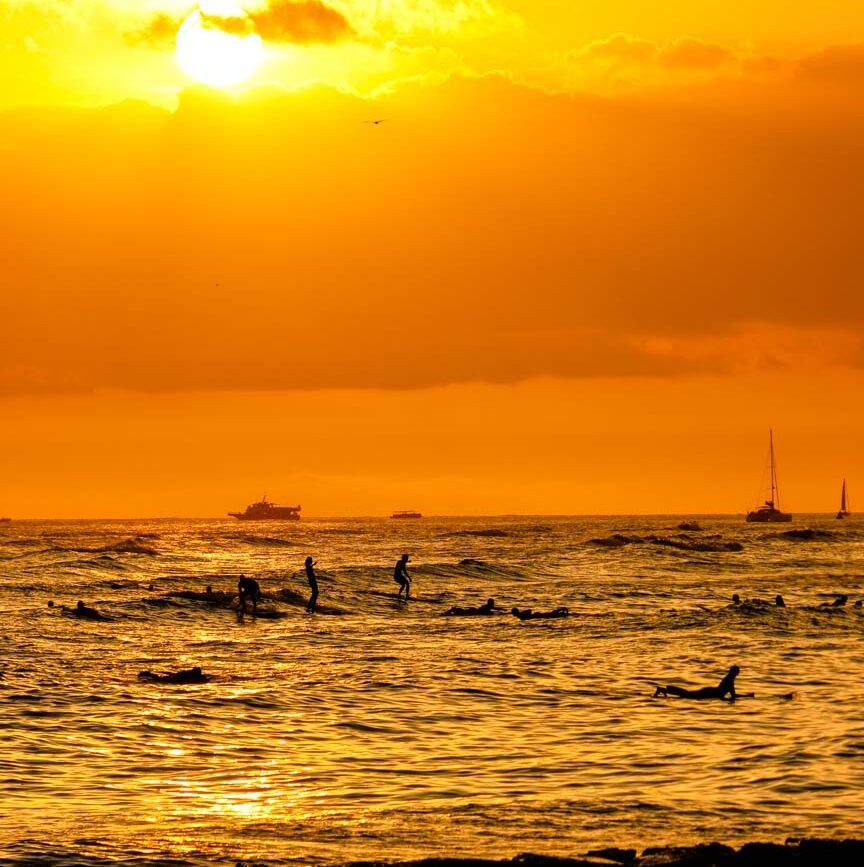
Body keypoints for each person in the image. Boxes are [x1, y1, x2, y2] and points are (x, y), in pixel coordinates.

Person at [654, 664, 745, 700]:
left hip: (710, 691)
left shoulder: (728, 678)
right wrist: (747, 696)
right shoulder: (729, 680)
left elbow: (732, 694)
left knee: (687, 694)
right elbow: (733, 695)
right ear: (735, 673)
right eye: (738, 672)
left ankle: (664, 689)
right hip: (709, 693)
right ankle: (664, 689)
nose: (738, 673)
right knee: (687, 695)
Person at [138, 666, 210, 684]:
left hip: (175, 678)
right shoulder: (189, 675)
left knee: (159, 679)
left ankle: (148, 674)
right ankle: (147, 674)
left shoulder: (200, 678)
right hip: (175, 679)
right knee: (159, 679)